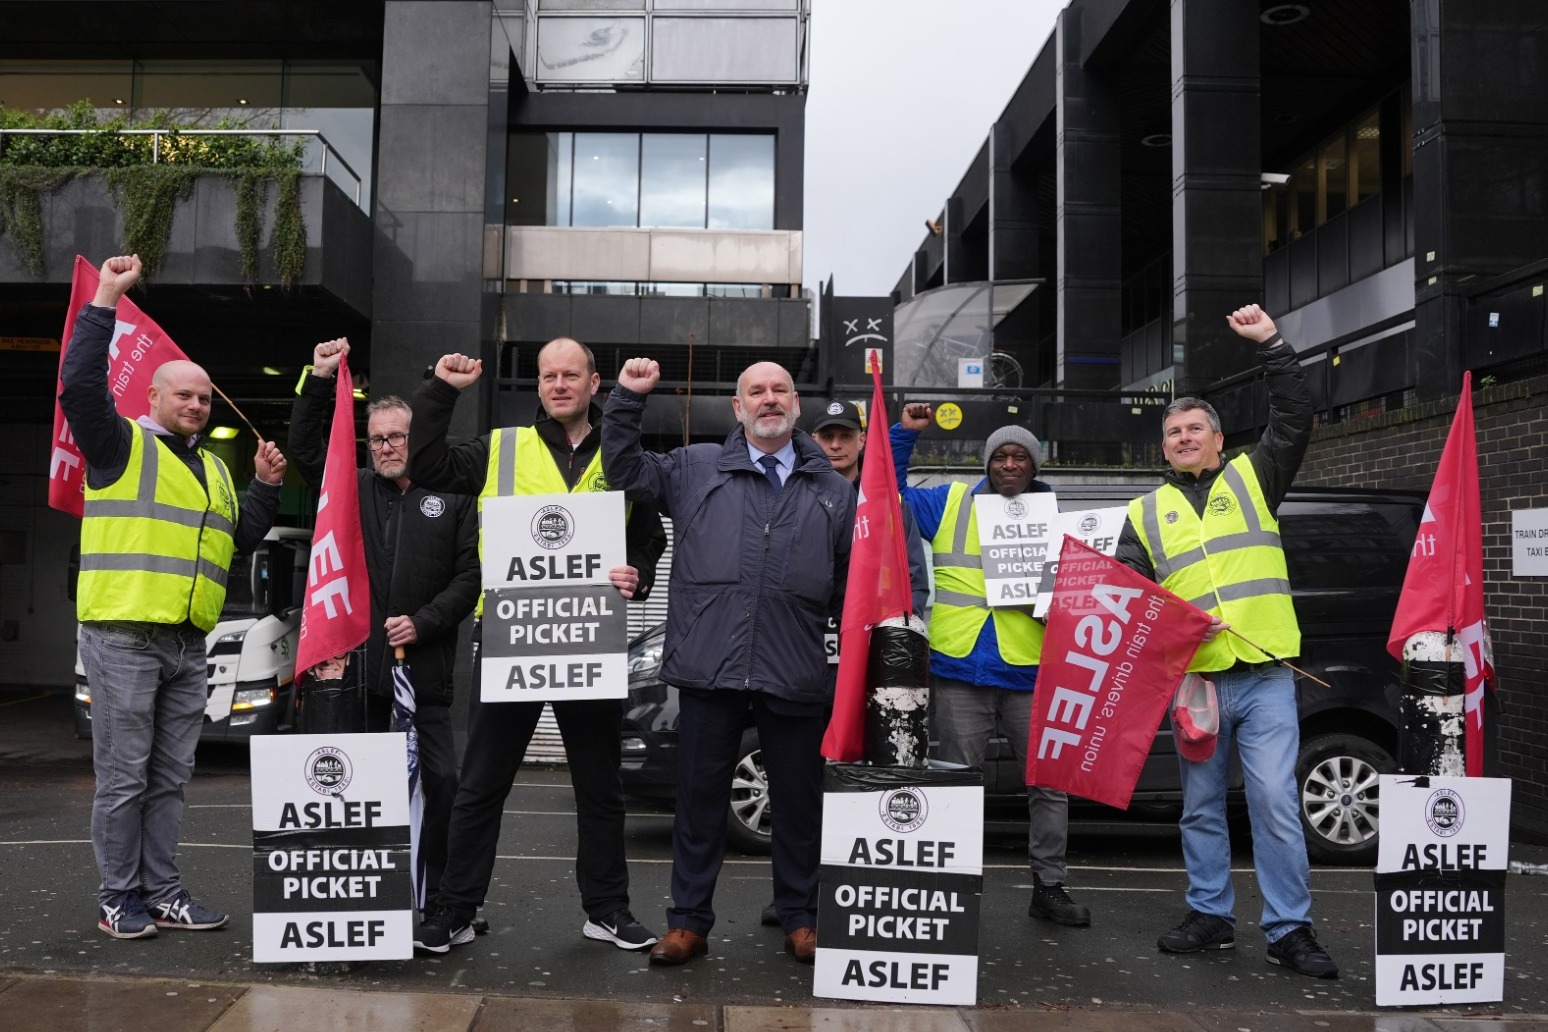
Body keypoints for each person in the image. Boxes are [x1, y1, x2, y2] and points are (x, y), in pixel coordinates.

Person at [408, 339, 667, 954]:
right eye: (548, 375)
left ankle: (606, 908)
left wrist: (639, 572)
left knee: (600, 786)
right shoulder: (502, 449)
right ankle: (456, 909)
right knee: (482, 784)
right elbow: (425, 465)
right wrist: (441, 389)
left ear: (594, 382)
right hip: (511, 640)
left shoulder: (621, 451)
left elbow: (649, 537)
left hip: (587, 639)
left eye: (570, 374)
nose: (557, 384)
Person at [59, 254, 284, 939]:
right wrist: (104, 299)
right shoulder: (117, 443)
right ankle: (116, 898)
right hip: (124, 634)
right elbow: (76, 387)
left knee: (169, 778)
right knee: (124, 777)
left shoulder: (216, 468)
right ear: (152, 398)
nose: (195, 404)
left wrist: (266, 486)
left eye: (204, 396)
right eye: (183, 394)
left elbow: (237, 538)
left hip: (189, 642)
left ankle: (161, 892)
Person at [602, 359, 855, 966]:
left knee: (799, 802)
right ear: (737, 409)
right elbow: (623, 470)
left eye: (779, 391)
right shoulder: (694, 467)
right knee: (699, 801)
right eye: (755, 392)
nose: (769, 399)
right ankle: (687, 923)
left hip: (795, 669)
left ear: (795, 406)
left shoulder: (835, 491)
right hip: (709, 666)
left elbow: (847, 589)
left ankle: (801, 918)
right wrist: (628, 399)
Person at [1112, 303, 1335, 979]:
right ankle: (1209, 914)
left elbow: (1295, 413)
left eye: (1193, 429)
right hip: (1198, 681)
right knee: (1201, 806)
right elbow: (1130, 601)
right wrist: (1175, 623)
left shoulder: (1256, 475)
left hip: (1265, 673)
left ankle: (1288, 928)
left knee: (1271, 800)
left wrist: (1270, 343)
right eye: (1172, 431)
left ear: (1218, 439)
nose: (1182, 438)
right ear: (1165, 446)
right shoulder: (1143, 511)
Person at [288, 338, 479, 904]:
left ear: (417, 437)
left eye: (398, 436)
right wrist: (320, 377)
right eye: (377, 439)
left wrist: (424, 622)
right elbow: (305, 447)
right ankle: (373, 897)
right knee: (361, 788)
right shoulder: (352, 489)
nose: (388, 446)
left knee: (442, 784)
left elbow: (471, 577)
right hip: (360, 676)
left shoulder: (454, 490)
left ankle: (441, 897)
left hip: (426, 676)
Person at [890, 408, 1090, 927]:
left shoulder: (1062, 522)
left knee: (1049, 787)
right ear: (987, 463)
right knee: (956, 785)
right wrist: (904, 435)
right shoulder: (952, 502)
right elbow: (889, 497)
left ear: (1034, 465)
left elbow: (1084, 597)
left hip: (1031, 673)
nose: (1007, 464)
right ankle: (949, 887)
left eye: (1018, 456)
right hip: (961, 672)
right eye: (999, 456)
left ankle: (1050, 887)